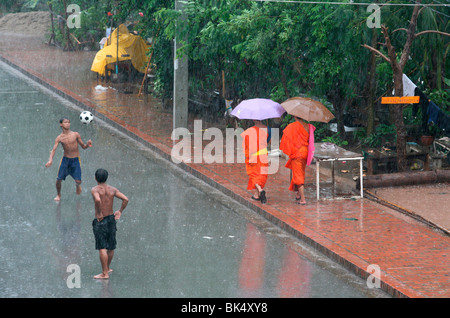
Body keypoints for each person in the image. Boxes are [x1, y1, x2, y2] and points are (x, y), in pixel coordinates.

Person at [91, 168, 128, 279]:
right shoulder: (112, 189)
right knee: (111, 246)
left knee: (102, 247)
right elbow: (125, 199)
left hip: (101, 220)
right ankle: (107, 268)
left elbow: (97, 200)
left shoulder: (95, 190)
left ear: (95, 178)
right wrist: (120, 211)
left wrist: (98, 212)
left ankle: (104, 273)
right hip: (111, 219)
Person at [45, 117, 92, 201]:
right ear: (61, 124)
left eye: (69, 122)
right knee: (59, 180)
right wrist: (50, 160)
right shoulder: (59, 138)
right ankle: (58, 194)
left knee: (78, 181)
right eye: (65, 122)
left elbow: (83, 147)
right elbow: (53, 150)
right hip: (65, 160)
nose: (68, 124)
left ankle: (77, 186)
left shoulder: (75, 134)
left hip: (76, 160)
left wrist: (87, 144)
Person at [280, 116, 315, 204]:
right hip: (305, 152)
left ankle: (303, 199)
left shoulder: (291, 126)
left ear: (295, 116)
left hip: (297, 154)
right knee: (301, 172)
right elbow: (310, 140)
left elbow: (286, 141)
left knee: (298, 175)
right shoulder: (308, 126)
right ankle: (298, 194)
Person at [241, 120, 269, 204]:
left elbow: (246, 144)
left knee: (253, 174)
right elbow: (267, 141)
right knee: (261, 175)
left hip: (254, 156)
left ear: (253, 120)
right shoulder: (266, 129)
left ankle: (260, 190)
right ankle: (256, 195)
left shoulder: (249, 131)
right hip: (263, 155)